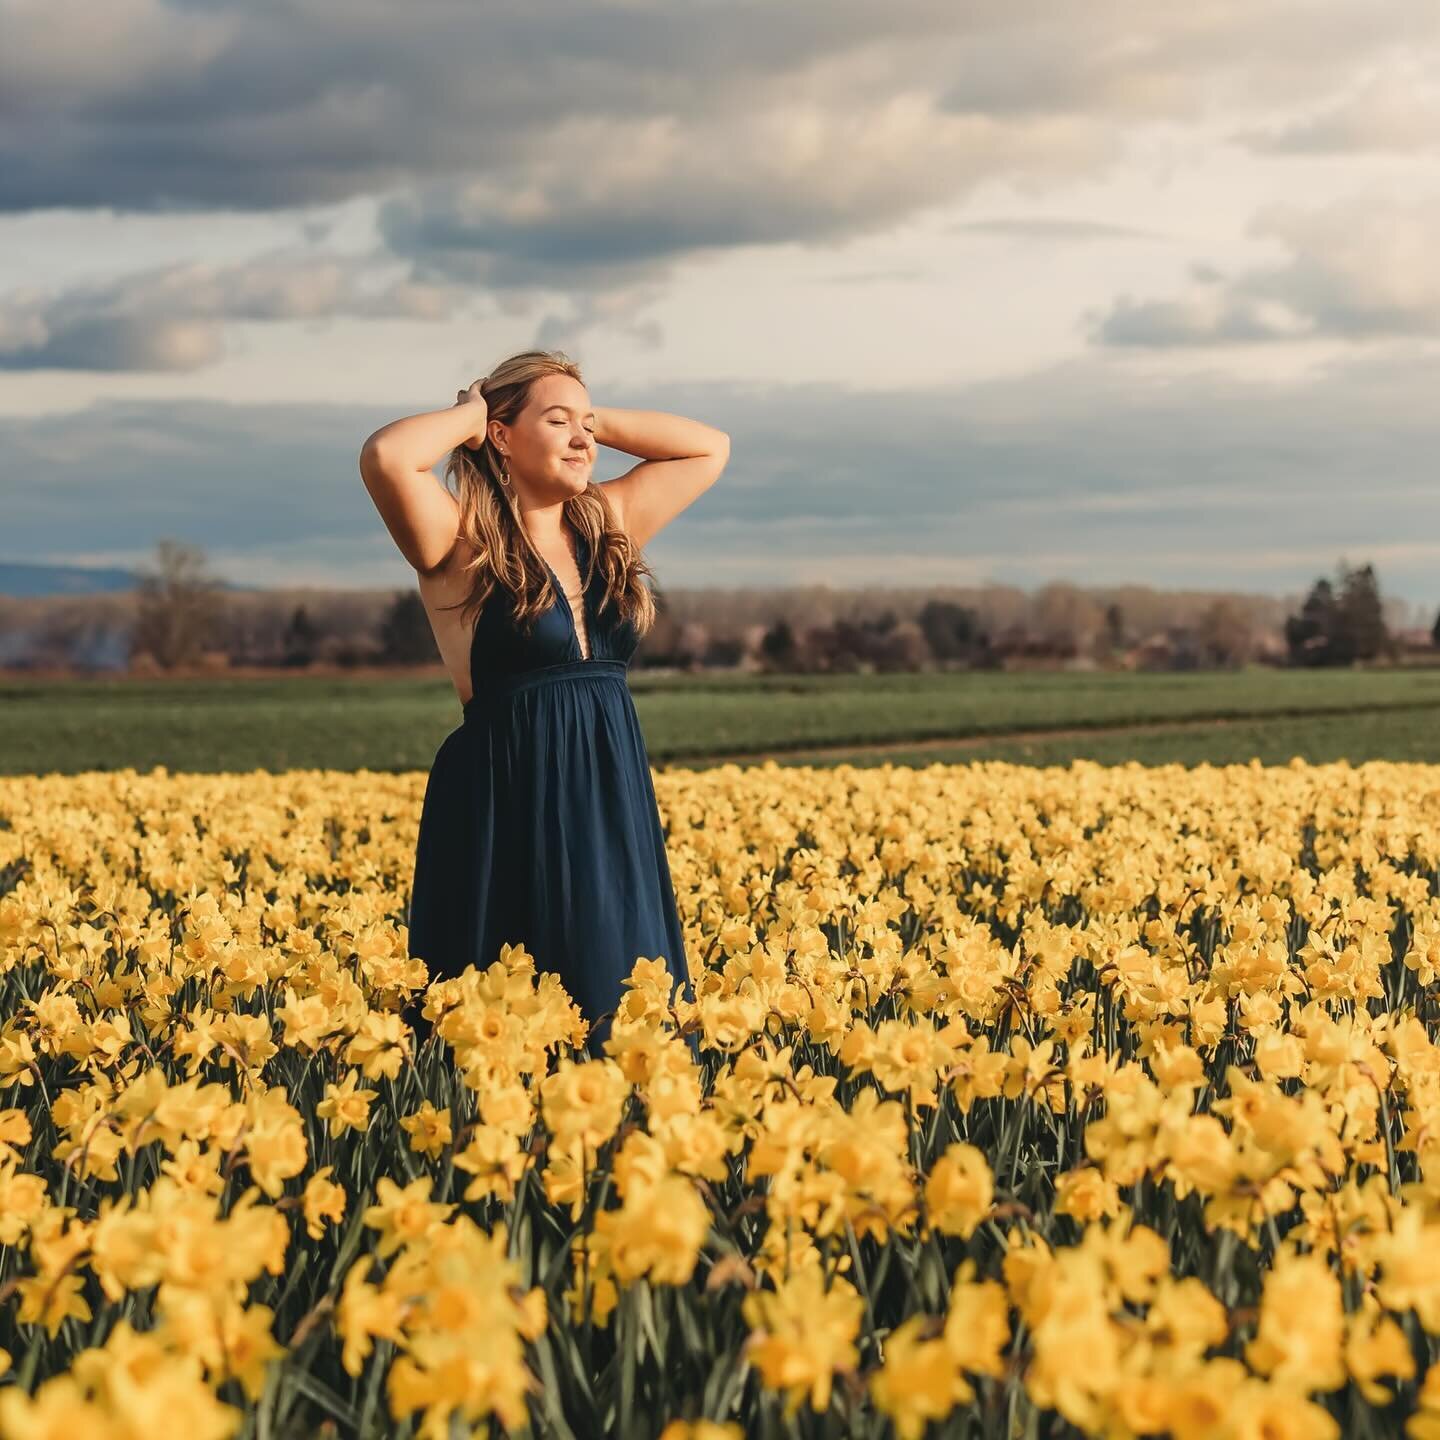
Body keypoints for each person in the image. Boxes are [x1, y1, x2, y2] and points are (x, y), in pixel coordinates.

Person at [359, 349, 730, 1052]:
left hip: (611, 790)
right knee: (510, 1017)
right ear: (502, 436)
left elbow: (709, 449)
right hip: (507, 794)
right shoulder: (458, 541)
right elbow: (387, 456)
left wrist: (588, 419)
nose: (582, 438)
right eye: (556, 422)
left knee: (621, 999)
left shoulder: (608, 522)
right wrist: (474, 412)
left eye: (585, 425)